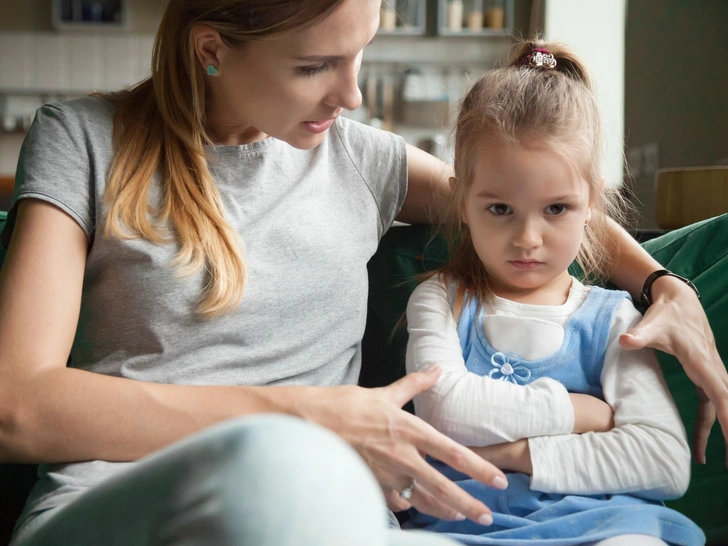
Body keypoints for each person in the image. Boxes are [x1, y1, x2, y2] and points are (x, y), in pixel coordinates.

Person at [0, 0, 722, 542]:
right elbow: (17, 407)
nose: (351, 97)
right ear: (211, 50)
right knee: (275, 470)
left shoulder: (359, 159)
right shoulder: (83, 140)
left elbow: (537, 198)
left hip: (329, 514)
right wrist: (309, 417)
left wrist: (662, 284)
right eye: (314, 66)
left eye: (360, 56)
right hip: (123, 505)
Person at [402, 41, 706, 545]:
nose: (527, 238)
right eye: (499, 209)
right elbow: (445, 410)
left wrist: (512, 454)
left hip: (601, 525)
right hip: (461, 522)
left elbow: (663, 460)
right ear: (461, 201)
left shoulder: (614, 318)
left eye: (556, 209)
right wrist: (580, 413)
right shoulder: (441, 298)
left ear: (592, 203)